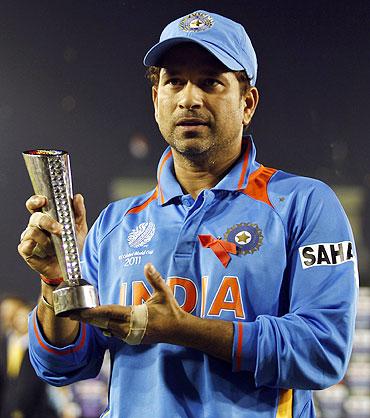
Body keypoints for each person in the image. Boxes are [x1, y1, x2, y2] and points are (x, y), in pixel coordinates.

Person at [18, 10, 358, 418]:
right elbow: (63, 365)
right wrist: (56, 281)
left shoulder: (303, 204)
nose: (189, 98)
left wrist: (184, 330)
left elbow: (321, 352)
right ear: (156, 97)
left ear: (247, 103)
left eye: (210, 82)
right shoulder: (114, 226)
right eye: (174, 81)